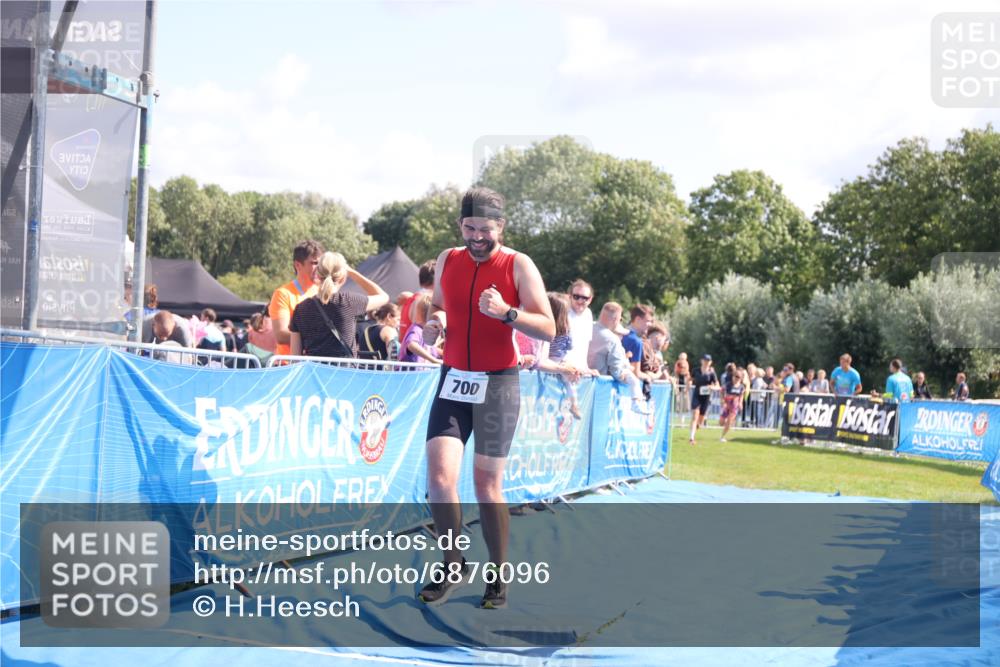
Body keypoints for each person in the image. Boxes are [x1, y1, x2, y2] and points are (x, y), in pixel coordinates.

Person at [418, 187, 554, 610]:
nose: (477, 236)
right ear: (461, 226)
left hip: (498, 384)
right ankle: (452, 563)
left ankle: (497, 573)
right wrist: (436, 323)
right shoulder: (447, 259)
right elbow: (439, 305)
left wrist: (507, 313)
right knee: (440, 478)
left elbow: (549, 328)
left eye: (486, 229)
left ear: (502, 226)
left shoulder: (518, 264)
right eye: (470, 227)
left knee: (486, 485)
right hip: (454, 378)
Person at [289, 251, 388, 358]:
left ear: (317, 274)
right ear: (342, 277)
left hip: (314, 373)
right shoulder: (349, 301)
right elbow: (383, 297)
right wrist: (353, 273)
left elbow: (295, 356)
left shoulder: (300, 309)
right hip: (344, 372)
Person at [587, 302, 649, 411]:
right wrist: (627, 376)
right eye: (620, 319)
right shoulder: (611, 339)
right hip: (600, 389)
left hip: (583, 384)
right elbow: (616, 370)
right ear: (615, 319)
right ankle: (637, 403)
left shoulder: (587, 327)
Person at [269, 239, 324, 357]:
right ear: (298, 265)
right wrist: (317, 338)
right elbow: (281, 335)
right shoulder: (283, 294)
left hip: (315, 365)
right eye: (314, 263)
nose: (319, 268)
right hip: (287, 365)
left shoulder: (323, 291)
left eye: (320, 263)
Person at [399, 260, 436, 342]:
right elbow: (421, 341)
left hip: (406, 351)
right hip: (414, 352)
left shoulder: (412, 299)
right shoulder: (424, 301)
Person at [400, 294, 443, 364]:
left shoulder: (424, 332)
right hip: (409, 374)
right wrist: (434, 360)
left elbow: (430, 349)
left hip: (421, 374)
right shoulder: (416, 329)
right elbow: (411, 345)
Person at [564, 279, 595, 374]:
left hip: (579, 372)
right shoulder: (563, 312)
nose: (580, 301)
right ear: (570, 296)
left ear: (590, 299)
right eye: (576, 296)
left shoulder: (588, 314)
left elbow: (585, 345)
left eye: (584, 298)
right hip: (562, 369)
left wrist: (586, 368)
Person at [689, 354, 720, 444]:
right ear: (701, 361)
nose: (706, 362)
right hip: (696, 395)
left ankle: (696, 427)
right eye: (705, 360)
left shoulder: (712, 373)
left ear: (710, 362)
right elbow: (690, 379)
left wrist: (712, 387)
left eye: (708, 361)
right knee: (695, 415)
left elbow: (718, 386)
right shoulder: (696, 370)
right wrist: (689, 384)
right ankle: (691, 438)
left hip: (706, 397)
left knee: (701, 419)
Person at [720, 366, 746, 442]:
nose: (736, 378)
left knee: (729, 421)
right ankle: (725, 424)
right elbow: (721, 391)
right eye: (735, 376)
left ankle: (722, 436)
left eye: (738, 377)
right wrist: (722, 400)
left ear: (741, 378)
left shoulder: (742, 387)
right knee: (721, 422)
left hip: (734, 406)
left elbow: (741, 395)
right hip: (726, 405)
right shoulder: (728, 384)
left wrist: (740, 403)